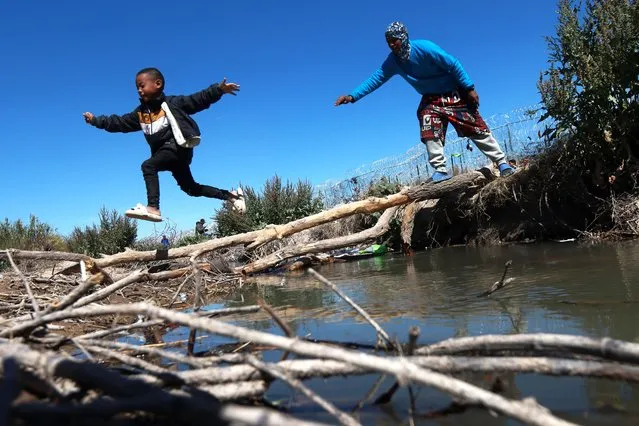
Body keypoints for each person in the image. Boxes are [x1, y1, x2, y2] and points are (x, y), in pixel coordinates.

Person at [334, 22, 515, 183]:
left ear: (404, 37)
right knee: (428, 123)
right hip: (431, 98)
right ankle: (441, 171)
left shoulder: (425, 48)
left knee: (475, 127)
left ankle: (502, 163)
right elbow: (376, 79)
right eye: (388, 41)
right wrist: (353, 96)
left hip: (453, 93)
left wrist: (468, 87)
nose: (391, 44)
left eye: (394, 39)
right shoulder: (393, 62)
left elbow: (452, 64)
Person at [83, 67, 246, 222]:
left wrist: (218, 89)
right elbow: (118, 122)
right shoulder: (140, 114)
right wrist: (96, 121)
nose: (139, 90)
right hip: (166, 156)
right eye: (137, 88)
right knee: (191, 189)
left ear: (158, 84)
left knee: (148, 166)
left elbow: (197, 99)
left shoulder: (172, 103)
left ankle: (153, 208)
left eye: (142, 86)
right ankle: (231, 196)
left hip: (176, 149)